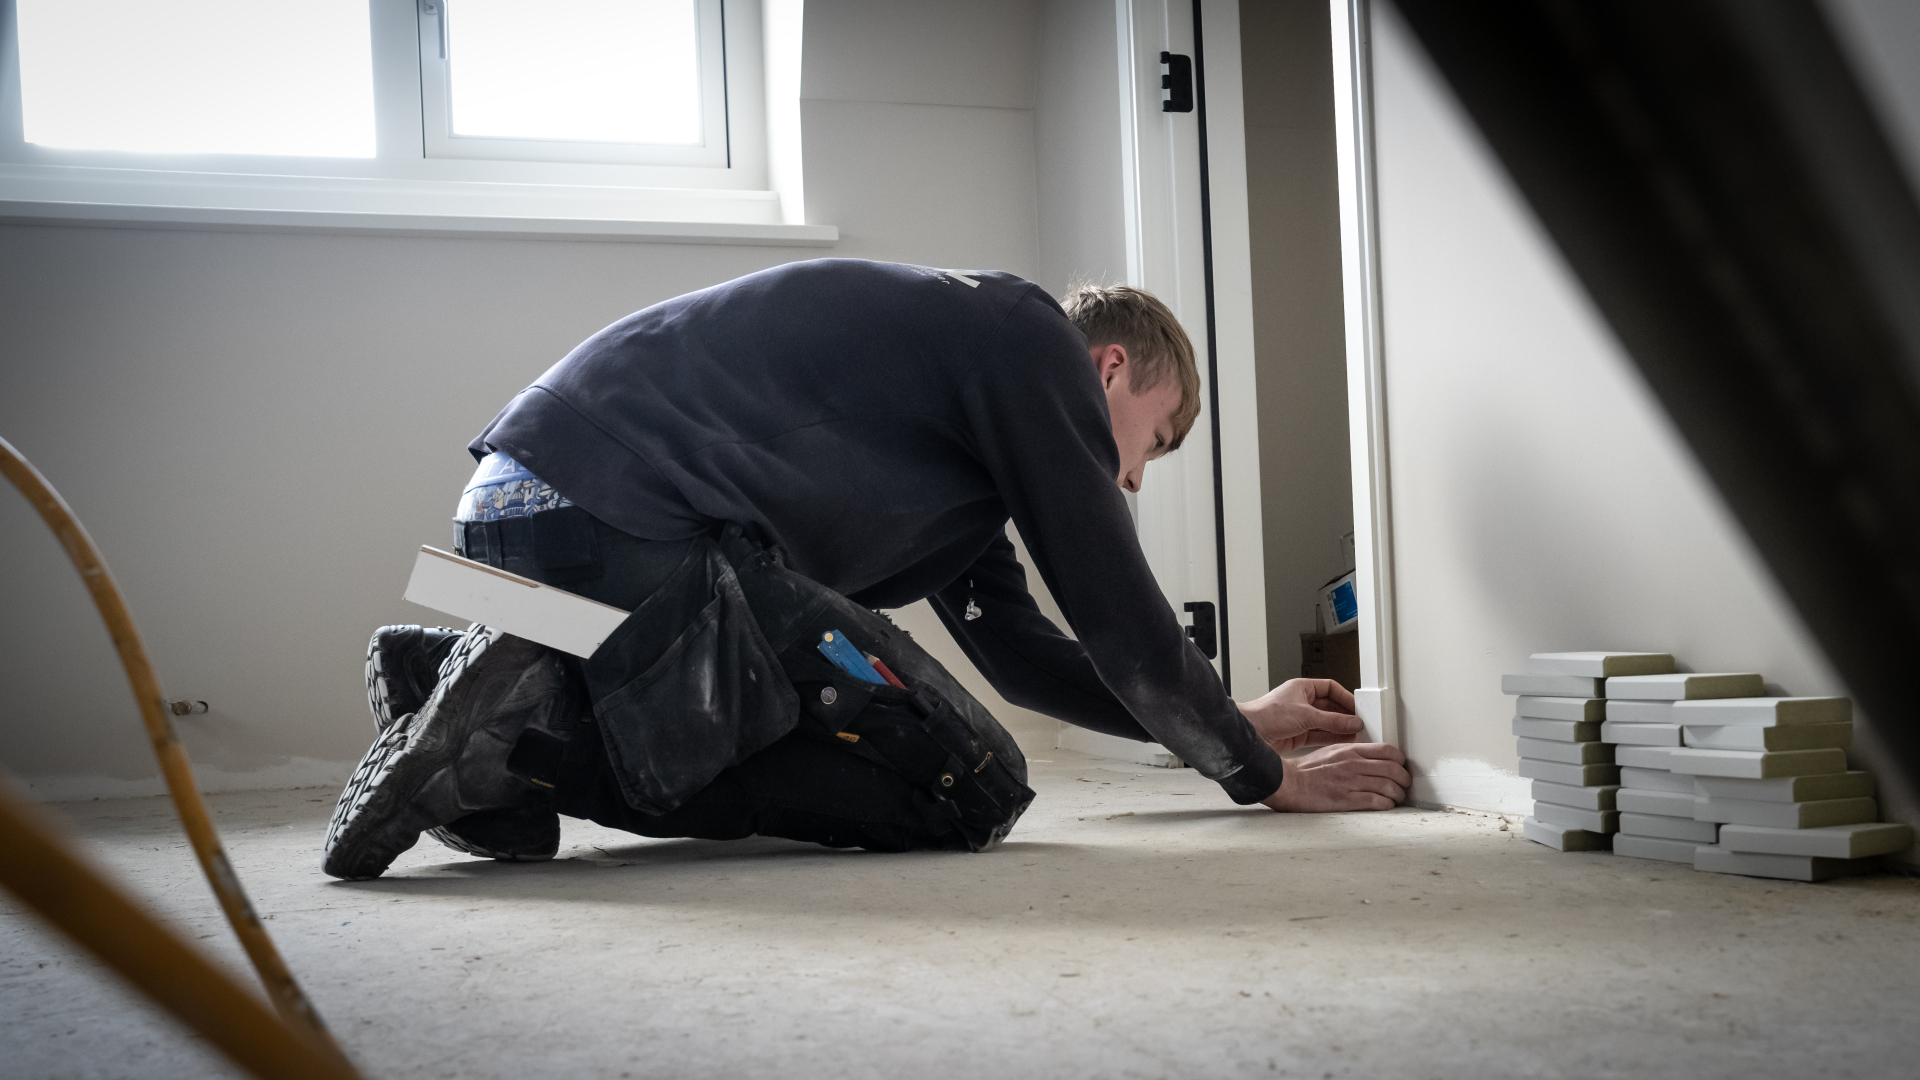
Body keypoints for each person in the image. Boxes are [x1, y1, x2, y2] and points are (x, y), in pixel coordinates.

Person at [323, 259, 1410, 881]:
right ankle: (507, 747)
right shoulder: (1028, 341)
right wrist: (1263, 777)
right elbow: (1121, 621)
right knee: (967, 786)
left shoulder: (950, 426)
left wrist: (1231, 714)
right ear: (1110, 367)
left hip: (504, 528)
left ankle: (463, 688)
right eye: (1152, 440)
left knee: (580, 800)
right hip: (627, 528)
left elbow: (1025, 657)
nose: (1130, 480)